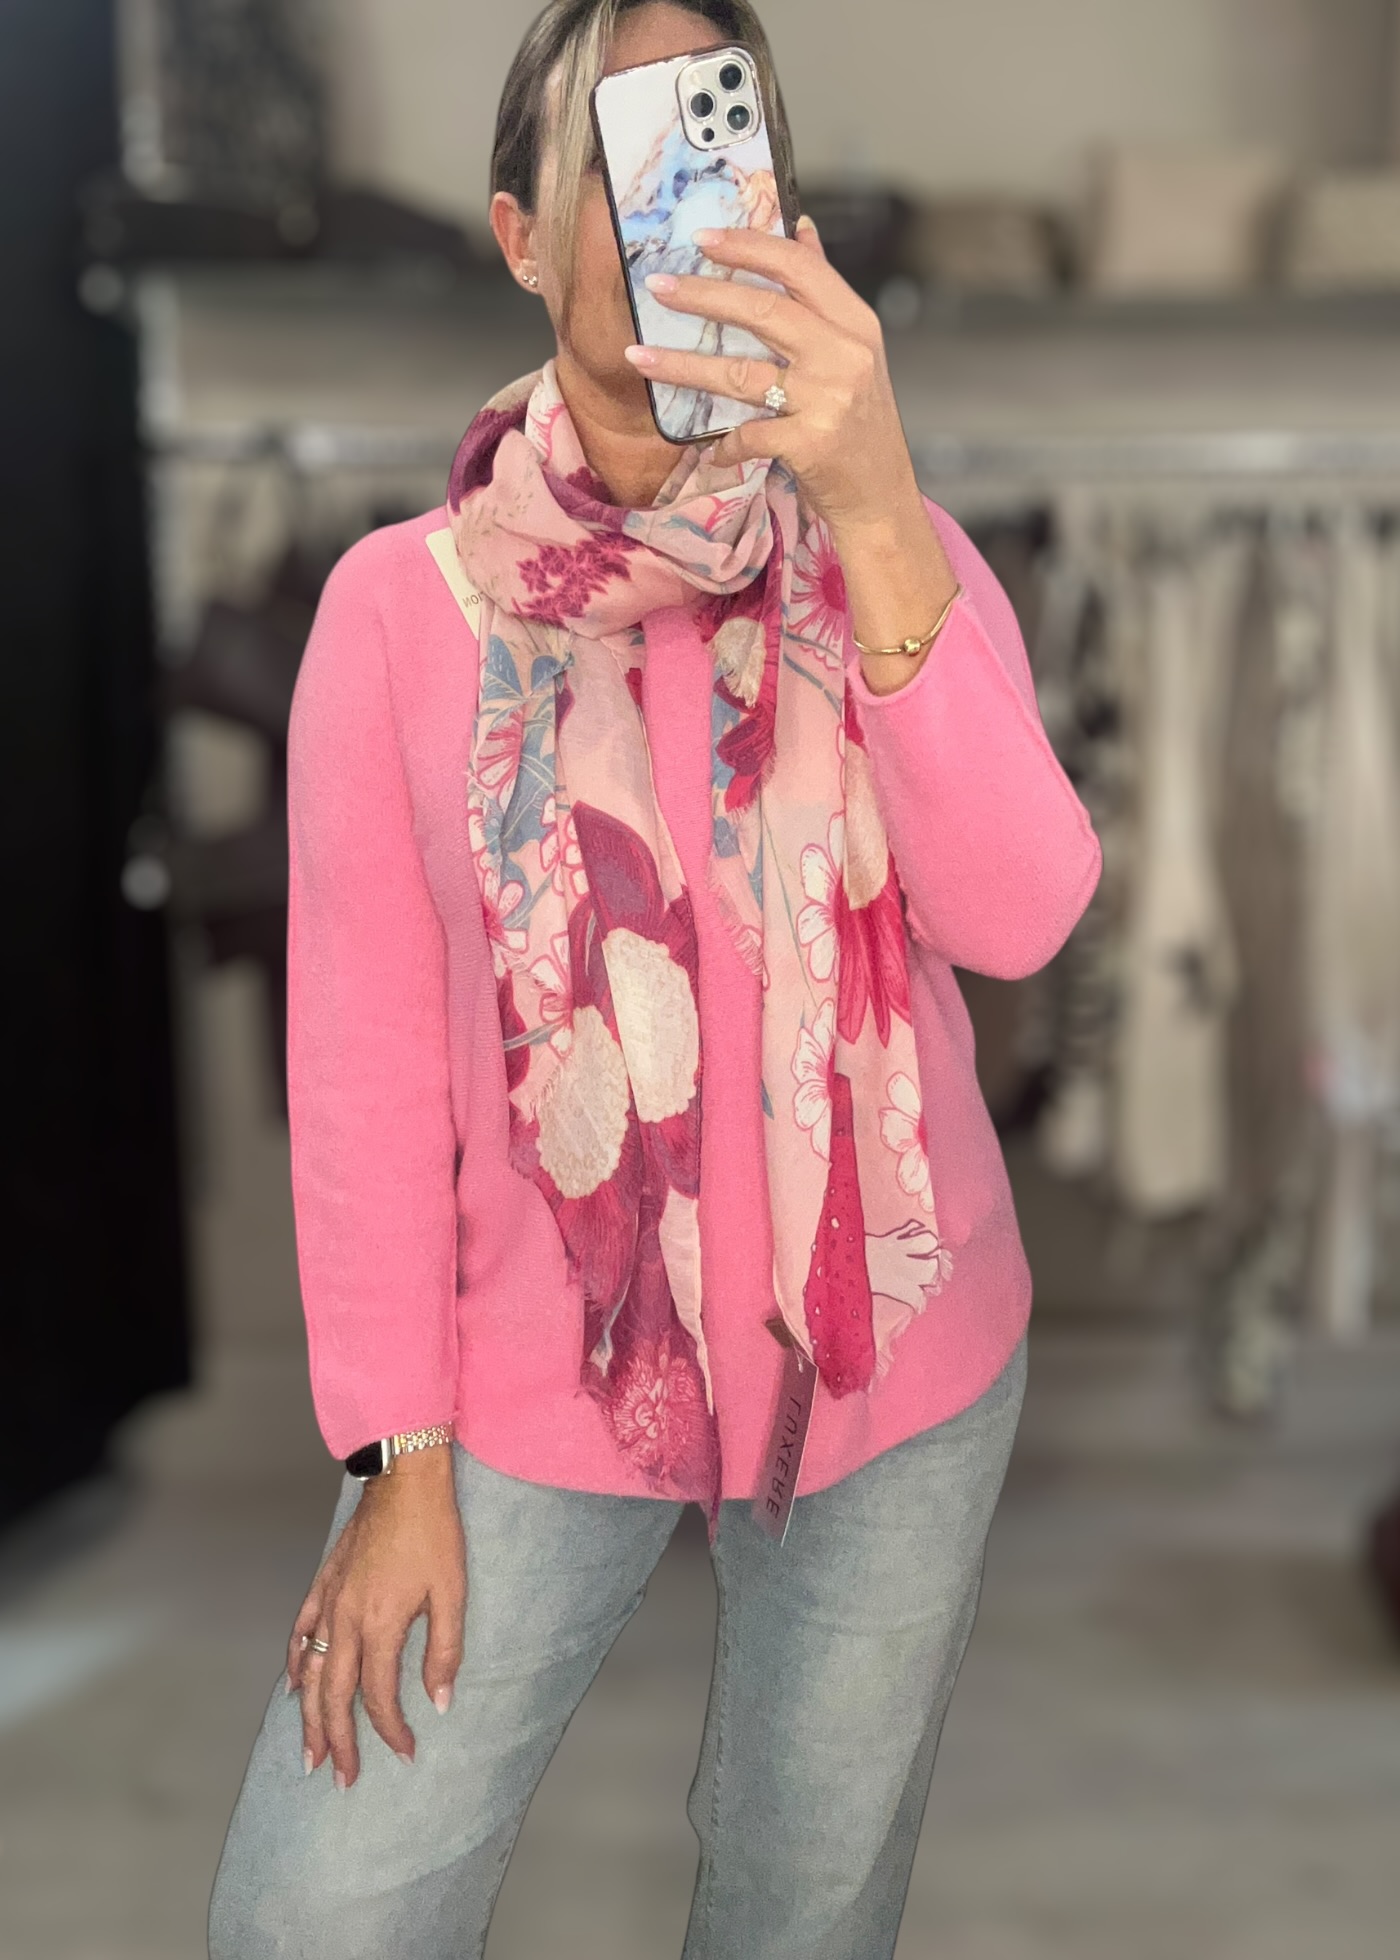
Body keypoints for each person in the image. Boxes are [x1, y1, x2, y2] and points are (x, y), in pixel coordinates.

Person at [207, 2, 1102, 1955]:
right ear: (521, 238)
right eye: (610, 160)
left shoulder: (892, 557)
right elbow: (362, 1073)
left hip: (893, 1361)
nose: (657, 210)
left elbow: (1025, 914)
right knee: (318, 1912)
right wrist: (395, 1454)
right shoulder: (397, 616)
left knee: (801, 1906)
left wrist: (874, 502)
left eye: (701, 152)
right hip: (533, 1382)